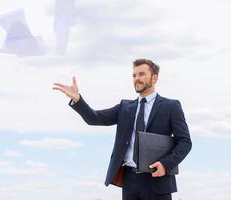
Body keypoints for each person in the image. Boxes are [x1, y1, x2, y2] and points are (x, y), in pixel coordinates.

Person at [53, 58, 192, 200]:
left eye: (142, 74)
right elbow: (94, 118)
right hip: (130, 180)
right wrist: (77, 100)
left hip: (157, 178)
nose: (137, 78)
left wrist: (165, 165)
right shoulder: (125, 107)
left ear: (154, 78)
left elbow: (185, 142)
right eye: (134, 75)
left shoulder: (171, 106)